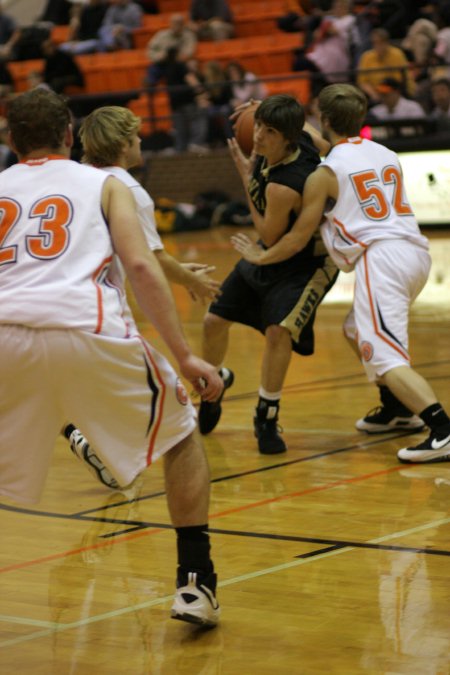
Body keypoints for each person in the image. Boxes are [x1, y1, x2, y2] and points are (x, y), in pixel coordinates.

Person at [0, 87, 223, 626]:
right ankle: (195, 585)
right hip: (86, 327)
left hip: (5, 332)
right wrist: (186, 356)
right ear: (68, 136)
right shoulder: (104, 183)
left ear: (9, 140)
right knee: (180, 434)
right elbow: (143, 268)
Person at [231, 83, 450, 464]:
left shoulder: (324, 173)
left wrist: (259, 257)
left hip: (381, 260)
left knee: (385, 356)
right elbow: (331, 142)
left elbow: (297, 239)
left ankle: (442, 429)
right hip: (415, 253)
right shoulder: (384, 152)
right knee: (355, 330)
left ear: (324, 118)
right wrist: (275, 114)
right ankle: (396, 408)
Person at [62, 104, 221, 478]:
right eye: (135, 138)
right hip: (100, 309)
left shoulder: (73, 180)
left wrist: (182, 272)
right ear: (122, 145)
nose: (141, 143)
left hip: (45, 302)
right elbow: (152, 260)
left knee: (59, 381)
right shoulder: (128, 189)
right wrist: (190, 279)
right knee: (169, 407)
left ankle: (78, 431)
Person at [199, 94, 338, 455]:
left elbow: (270, 236)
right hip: (268, 255)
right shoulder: (303, 137)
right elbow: (322, 139)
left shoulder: (285, 183)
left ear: (287, 138)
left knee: (279, 332)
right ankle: (216, 383)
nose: (258, 136)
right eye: (258, 125)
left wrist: (247, 178)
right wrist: (266, 106)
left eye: (269, 130)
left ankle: (266, 413)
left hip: (305, 263)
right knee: (213, 321)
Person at [356, 28, 415, 106]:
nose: (377, 46)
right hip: (374, 95)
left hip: (394, 91)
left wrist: (387, 93)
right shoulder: (366, 56)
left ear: (387, 42)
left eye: (380, 42)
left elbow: (401, 79)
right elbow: (362, 82)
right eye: (375, 43)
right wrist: (374, 94)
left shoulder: (397, 54)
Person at [145, 13, 197, 87]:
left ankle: (194, 91)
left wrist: (179, 57)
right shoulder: (161, 35)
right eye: (174, 23)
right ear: (170, 24)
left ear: (183, 24)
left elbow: (189, 52)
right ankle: (150, 94)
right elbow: (150, 51)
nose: (176, 26)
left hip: (180, 64)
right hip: (163, 62)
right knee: (152, 69)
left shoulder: (189, 36)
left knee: (190, 65)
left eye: (179, 23)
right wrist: (161, 56)